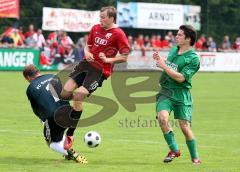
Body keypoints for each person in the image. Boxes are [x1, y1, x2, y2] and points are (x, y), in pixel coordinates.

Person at [60, 6, 130, 116]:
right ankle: (73, 108)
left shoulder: (119, 33)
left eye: (103, 17)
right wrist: (86, 52)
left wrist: (108, 59)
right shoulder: (95, 28)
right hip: (85, 65)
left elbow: (124, 57)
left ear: (112, 18)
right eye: (100, 17)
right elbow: (88, 46)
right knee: (64, 94)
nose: (100, 20)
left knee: (78, 96)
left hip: (100, 71)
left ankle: (70, 133)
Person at [153, 25, 201, 165]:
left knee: (185, 128)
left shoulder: (193, 59)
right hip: (166, 91)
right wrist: (161, 60)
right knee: (162, 118)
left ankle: (195, 157)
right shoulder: (174, 50)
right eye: (177, 34)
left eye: (180, 35)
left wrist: (164, 66)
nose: (176, 36)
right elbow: (170, 66)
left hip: (182, 94)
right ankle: (174, 150)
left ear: (188, 39)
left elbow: (180, 78)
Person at [23, 64, 87, 164]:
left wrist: (43, 119)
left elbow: (36, 109)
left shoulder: (31, 88)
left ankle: (72, 154)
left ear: (28, 77)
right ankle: (67, 154)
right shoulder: (53, 76)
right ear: (38, 71)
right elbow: (65, 94)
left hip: (54, 117)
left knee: (52, 143)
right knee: (57, 133)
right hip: (68, 111)